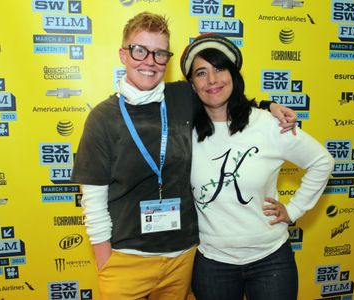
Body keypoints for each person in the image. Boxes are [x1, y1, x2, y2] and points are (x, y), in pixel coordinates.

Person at [71, 12, 297, 300]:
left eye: (160, 53)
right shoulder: (103, 118)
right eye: (140, 50)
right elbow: (92, 198)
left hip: (183, 258)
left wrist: (268, 105)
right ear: (123, 55)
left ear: (167, 59)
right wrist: (105, 259)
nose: (149, 61)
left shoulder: (182, 97)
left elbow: (223, 97)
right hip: (127, 259)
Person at [180, 33, 335, 300]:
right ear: (192, 85)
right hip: (213, 263)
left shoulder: (267, 123)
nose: (212, 80)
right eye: (201, 73)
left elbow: (322, 161)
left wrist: (295, 209)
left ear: (234, 75)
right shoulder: (184, 131)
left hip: (271, 260)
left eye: (220, 68)